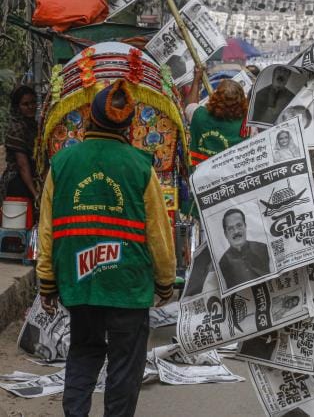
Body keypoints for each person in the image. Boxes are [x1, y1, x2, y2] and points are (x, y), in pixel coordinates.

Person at [36, 79, 176, 417]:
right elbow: (159, 232)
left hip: (79, 281)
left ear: (90, 120)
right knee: (125, 367)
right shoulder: (142, 167)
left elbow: (46, 229)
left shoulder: (63, 163)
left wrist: (47, 281)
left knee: (83, 353)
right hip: (128, 284)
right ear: (128, 125)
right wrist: (165, 281)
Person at [185, 75, 248, 168]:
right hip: (231, 175)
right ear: (242, 100)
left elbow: (190, 105)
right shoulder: (247, 124)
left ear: (215, 97)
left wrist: (196, 79)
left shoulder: (198, 115)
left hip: (199, 176)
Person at [1, 86, 39, 205]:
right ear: (17, 107)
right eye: (25, 104)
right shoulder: (17, 128)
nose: (31, 107)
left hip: (30, 181)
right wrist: (36, 194)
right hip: (18, 183)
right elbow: (22, 165)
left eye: (33, 102)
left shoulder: (33, 126)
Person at [218, 208, 271, 290]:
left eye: (239, 225)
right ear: (225, 234)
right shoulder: (223, 263)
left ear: (245, 226)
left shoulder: (263, 248)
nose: (236, 231)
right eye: (230, 228)